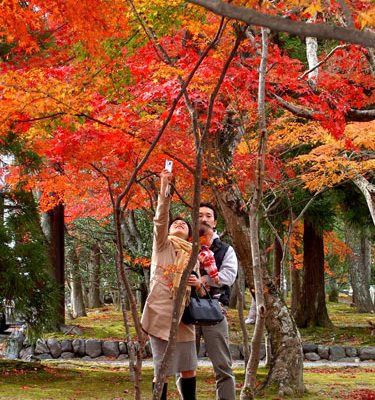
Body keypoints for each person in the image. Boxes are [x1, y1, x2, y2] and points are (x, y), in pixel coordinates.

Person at [141, 169, 202, 400]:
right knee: (161, 369)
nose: (178, 224)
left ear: (189, 235)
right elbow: (161, 218)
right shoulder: (162, 246)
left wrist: (196, 281)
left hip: (184, 316)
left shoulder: (192, 253)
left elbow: (199, 285)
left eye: (184, 224)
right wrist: (165, 190)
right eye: (175, 223)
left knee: (189, 368)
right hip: (160, 313)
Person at [196, 203, 238, 400]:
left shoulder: (225, 249)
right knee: (184, 365)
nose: (204, 219)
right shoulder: (184, 244)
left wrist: (203, 280)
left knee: (222, 366)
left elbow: (229, 276)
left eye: (208, 215)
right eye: (200, 215)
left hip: (214, 309)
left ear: (215, 221)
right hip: (185, 310)